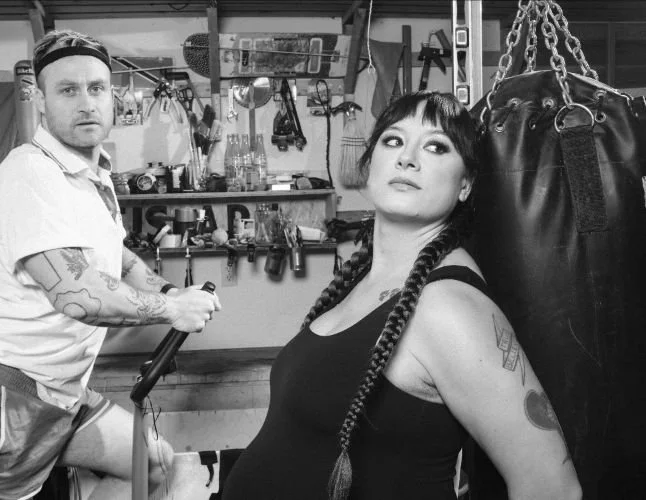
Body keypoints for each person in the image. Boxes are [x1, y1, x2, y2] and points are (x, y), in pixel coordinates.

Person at [0, 29, 221, 500]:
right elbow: (77, 294)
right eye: (68, 90)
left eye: (96, 88)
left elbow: (115, 256)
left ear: (112, 96)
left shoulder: (94, 174)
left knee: (150, 465)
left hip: (58, 392)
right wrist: (172, 311)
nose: (86, 103)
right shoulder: (30, 172)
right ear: (40, 100)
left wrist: (168, 292)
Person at [221, 91, 582, 500]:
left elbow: (554, 489)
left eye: (436, 147)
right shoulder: (363, 279)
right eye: (393, 140)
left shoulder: (449, 307)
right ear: (368, 164)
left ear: (465, 185)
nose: (407, 158)